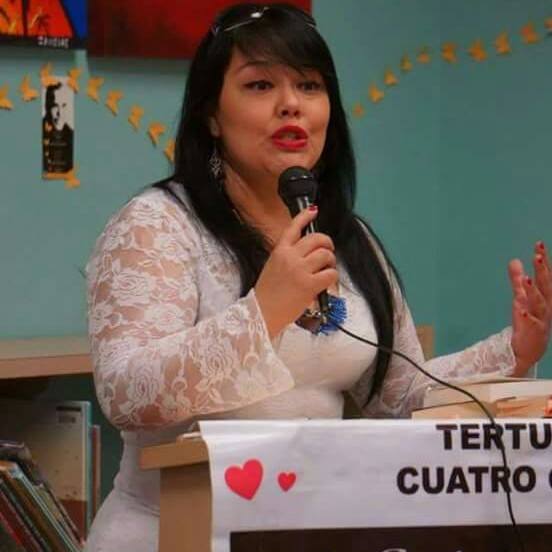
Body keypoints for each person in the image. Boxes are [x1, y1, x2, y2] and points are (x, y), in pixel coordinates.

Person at [84, 4, 552, 551]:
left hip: (304, 535)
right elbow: (126, 394)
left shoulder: (348, 237)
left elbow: (400, 397)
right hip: (170, 532)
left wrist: (515, 349)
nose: (291, 105)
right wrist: (264, 311)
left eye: (309, 85)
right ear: (211, 114)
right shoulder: (157, 224)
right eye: (260, 85)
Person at [42, 81, 74, 175]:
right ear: (48, 107)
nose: (59, 113)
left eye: (64, 105)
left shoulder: (71, 136)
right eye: (55, 106)